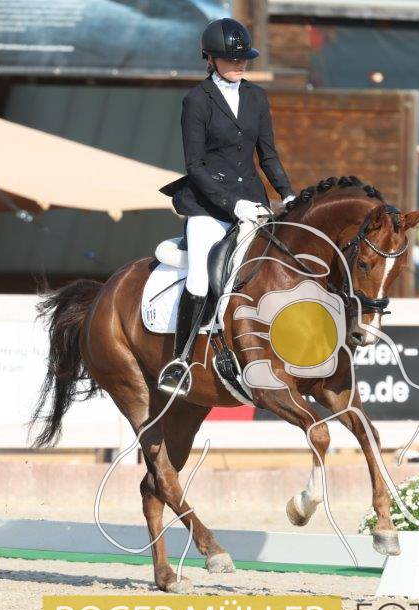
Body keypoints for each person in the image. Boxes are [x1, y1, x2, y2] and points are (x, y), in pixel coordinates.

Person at [156, 17, 295, 397]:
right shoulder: (197, 101)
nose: (239, 64)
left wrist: (288, 194)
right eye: (230, 59)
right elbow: (195, 166)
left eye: (243, 58)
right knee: (201, 279)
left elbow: (268, 155)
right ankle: (180, 362)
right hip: (208, 206)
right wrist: (232, 204)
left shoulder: (256, 97)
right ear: (210, 59)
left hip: (253, 201)